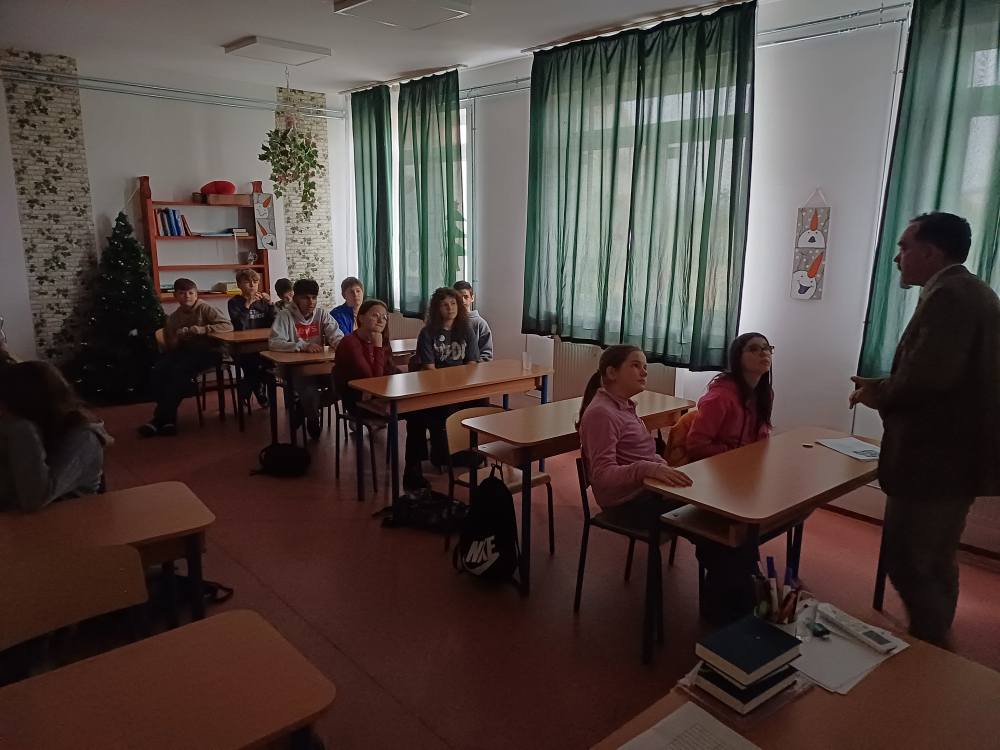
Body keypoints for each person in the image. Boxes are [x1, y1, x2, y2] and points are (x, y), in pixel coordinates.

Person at [850, 212, 1000, 646]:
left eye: (904, 247)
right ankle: (935, 641)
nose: (897, 258)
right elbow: (940, 372)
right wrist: (884, 385)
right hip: (956, 459)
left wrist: (878, 393)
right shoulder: (972, 291)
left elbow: (927, 379)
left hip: (935, 462)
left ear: (930, 252)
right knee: (936, 558)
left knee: (910, 560)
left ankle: (931, 650)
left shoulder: (949, 296)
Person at [578, 345, 692, 530]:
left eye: (645, 367)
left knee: (706, 503)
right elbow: (602, 475)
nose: (644, 373)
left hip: (647, 491)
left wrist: (660, 466)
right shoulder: (601, 414)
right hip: (626, 504)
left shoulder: (623, 406)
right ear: (612, 373)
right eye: (636, 365)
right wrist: (647, 469)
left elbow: (643, 454)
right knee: (706, 514)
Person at [0, 361, 109, 511]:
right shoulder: (20, 428)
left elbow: (35, 499)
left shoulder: (83, 438)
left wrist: (23, 430)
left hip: (72, 517)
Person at [403, 287, 480, 491]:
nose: (450, 308)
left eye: (453, 303)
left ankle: (461, 451)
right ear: (437, 309)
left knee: (482, 403)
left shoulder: (466, 330)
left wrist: (461, 385)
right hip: (434, 390)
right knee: (419, 415)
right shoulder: (427, 333)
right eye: (445, 305)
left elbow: (472, 363)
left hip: (461, 388)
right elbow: (429, 369)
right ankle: (417, 466)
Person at [139, 278, 232, 437]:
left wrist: (201, 330)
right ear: (175, 295)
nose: (187, 296)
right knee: (159, 370)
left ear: (196, 294)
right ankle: (168, 420)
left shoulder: (205, 308)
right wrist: (177, 338)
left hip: (211, 351)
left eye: (191, 293)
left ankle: (160, 419)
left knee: (179, 371)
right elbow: (171, 345)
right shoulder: (174, 317)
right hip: (187, 352)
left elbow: (227, 326)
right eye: (182, 293)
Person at [269, 278, 344, 439]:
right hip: (297, 369)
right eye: (305, 298)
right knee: (309, 393)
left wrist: (340, 345)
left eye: (314, 297)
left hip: (320, 366)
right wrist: (302, 345)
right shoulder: (285, 315)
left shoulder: (321, 314)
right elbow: (274, 342)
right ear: (296, 298)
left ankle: (304, 409)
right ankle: (312, 417)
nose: (311, 302)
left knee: (342, 385)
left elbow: (336, 335)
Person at [686, 333, 773, 462]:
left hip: (749, 462)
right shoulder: (720, 398)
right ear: (738, 357)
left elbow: (761, 435)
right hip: (720, 466)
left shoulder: (765, 394)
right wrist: (738, 452)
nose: (764, 353)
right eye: (754, 349)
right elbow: (696, 447)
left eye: (767, 348)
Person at [334, 298, 397, 415]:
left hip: (379, 395)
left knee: (419, 410)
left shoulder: (383, 340)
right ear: (361, 318)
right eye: (375, 315)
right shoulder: (350, 343)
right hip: (358, 399)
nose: (380, 320)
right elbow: (372, 380)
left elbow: (390, 371)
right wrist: (377, 348)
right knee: (401, 411)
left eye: (384, 317)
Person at [227, 268, 274, 407]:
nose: (252, 285)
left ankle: (246, 390)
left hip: (264, 344)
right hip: (243, 347)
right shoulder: (234, 302)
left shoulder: (263, 301)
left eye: (255, 281)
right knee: (253, 364)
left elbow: (275, 323)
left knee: (269, 364)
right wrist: (247, 305)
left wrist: (270, 304)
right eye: (247, 282)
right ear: (239, 285)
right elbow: (239, 326)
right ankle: (258, 391)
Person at [454, 280, 493, 361]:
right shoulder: (449, 322)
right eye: (458, 297)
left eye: (466, 296)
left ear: (472, 298)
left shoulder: (480, 324)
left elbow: (487, 356)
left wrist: (472, 366)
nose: (462, 300)